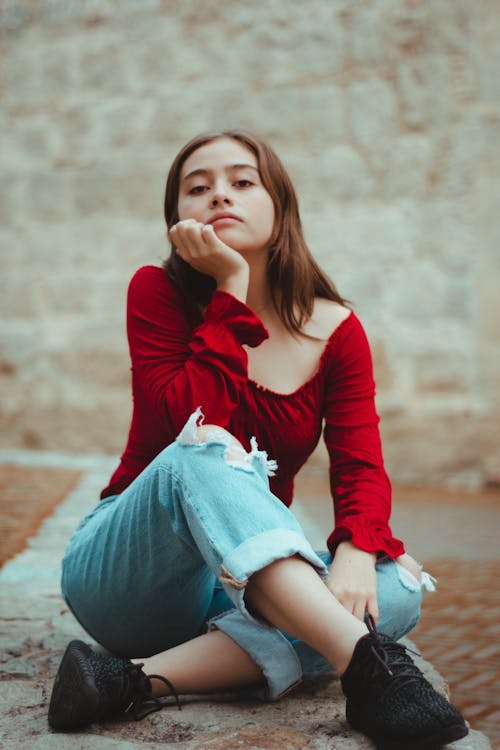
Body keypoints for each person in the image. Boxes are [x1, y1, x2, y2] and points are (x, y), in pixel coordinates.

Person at [48, 130, 468, 748]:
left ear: (281, 206)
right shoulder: (155, 292)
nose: (220, 196)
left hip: (237, 591)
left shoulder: (338, 330)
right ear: (177, 222)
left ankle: (129, 683)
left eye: (243, 182)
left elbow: (360, 464)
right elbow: (186, 422)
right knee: (208, 444)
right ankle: (372, 671)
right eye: (199, 188)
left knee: (396, 592)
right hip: (130, 577)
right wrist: (229, 288)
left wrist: (357, 546)